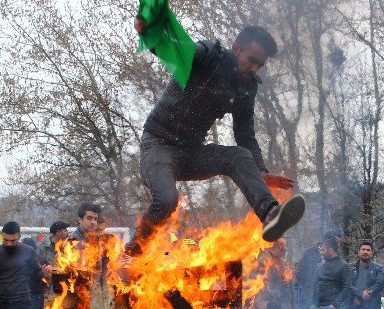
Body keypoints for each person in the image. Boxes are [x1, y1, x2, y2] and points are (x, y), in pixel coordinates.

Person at [129, 22, 305, 254]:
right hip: (159, 145)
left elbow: (245, 135)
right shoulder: (210, 56)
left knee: (239, 155)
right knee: (167, 200)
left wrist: (260, 173)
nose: (254, 69)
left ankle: (270, 214)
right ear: (236, 49)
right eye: (251, 60)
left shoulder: (246, 88)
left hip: (192, 153)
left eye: (260, 65)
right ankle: (133, 251)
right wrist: (149, 35)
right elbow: (180, 51)